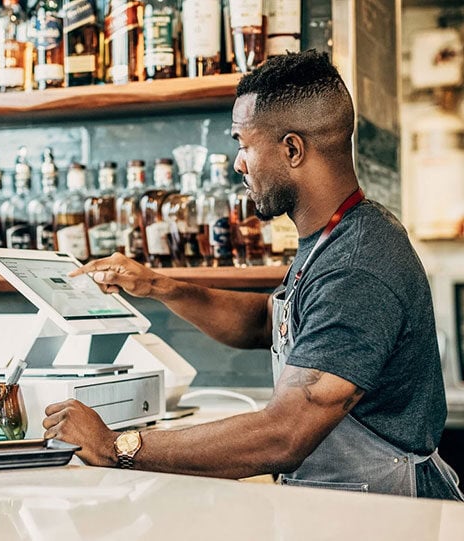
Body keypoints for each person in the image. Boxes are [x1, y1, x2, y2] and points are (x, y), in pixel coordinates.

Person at [43, 50, 463, 500]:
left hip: (388, 513)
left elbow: (284, 434)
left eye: (243, 143)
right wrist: (157, 286)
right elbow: (270, 322)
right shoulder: (331, 239)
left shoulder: (357, 265)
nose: (239, 163)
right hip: (341, 502)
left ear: (292, 149)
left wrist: (114, 446)